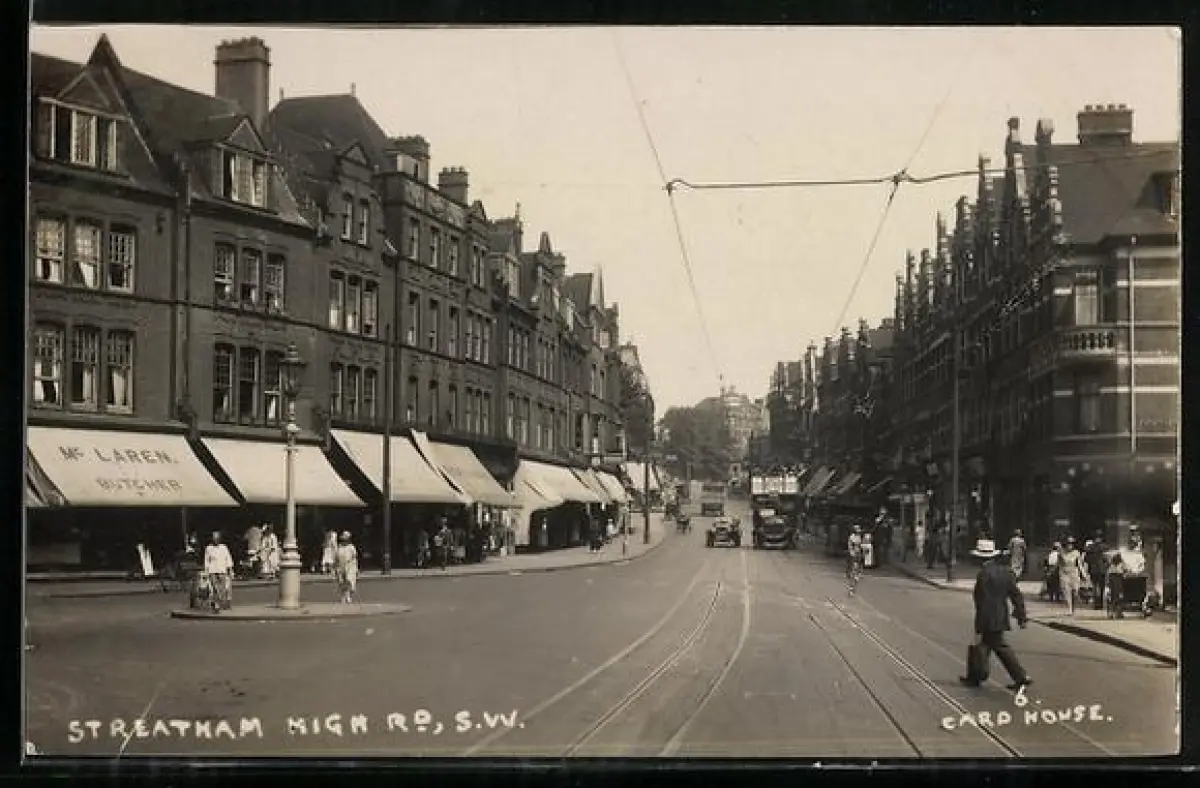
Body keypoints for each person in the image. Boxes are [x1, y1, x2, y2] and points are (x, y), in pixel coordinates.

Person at [960, 537, 1031, 691]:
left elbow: (980, 599)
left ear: (980, 558)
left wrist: (979, 622)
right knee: (987, 646)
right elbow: (1016, 595)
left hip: (987, 618)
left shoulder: (983, 574)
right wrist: (1021, 616)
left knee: (997, 647)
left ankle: (1020, 676)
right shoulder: (1006, 573)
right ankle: (975, 676)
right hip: (1000, 616)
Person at [203, 531, 234, 612]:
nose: (215, 540)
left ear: (219, 539)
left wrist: (230, 569)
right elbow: (206, 560)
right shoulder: (209, 548)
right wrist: (206, 571)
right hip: (212, 570)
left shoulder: (224, 547)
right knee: (215, 588)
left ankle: (220, 603)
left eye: (217, 538)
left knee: (223, 588)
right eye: (214, 538)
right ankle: (217, 604)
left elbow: (228, 558)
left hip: (222, 570)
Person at [1060, 536, 1088, 615]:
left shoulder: (1076, 553)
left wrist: (1084, 574)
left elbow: (1079, 564)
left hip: (1074, 573)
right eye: (1068, 544)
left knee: (1075, 591)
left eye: (1071, 544)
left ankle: (1073, 607)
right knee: (1067, 592)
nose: (1070, 545)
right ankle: (1069, 609)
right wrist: (1060, 575)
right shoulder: (1061, 553)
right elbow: (1059, 565)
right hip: (1065, 574)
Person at [1085, 530, 1108, 611]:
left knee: (1095, 587)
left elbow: (1086, 559)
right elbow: (1107, 559)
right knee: (1101, 587)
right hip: (1101, 570)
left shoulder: (1090, 547)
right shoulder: (1105, 547)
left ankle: (1096, 604)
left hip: (1094, 569)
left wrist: (1091, 563)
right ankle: (1100, 604)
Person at [334, 531, 359, 604]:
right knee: (341, 582)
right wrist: (335, 567)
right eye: (344, 539)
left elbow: (354, 557)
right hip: (340, 566)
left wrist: (356, 568)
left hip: (350, 565)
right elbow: (336, 557)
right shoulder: (339, 547)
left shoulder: (351, 547)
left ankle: (348, 596)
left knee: (349, 580)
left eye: (346, 539)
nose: (345, 540)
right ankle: (343, 596)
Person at [846, 524, 865, 596]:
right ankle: (851, 589)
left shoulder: (860, 536)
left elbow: (862, 546)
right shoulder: (852, 537)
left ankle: (856, 577)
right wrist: (852, 552)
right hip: (854, 554)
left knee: (858, 569)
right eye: (857, 529)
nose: (859, 530)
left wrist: (863, 548)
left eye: (859, 529)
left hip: (859, 554)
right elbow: (850, 546)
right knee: (854, 569)